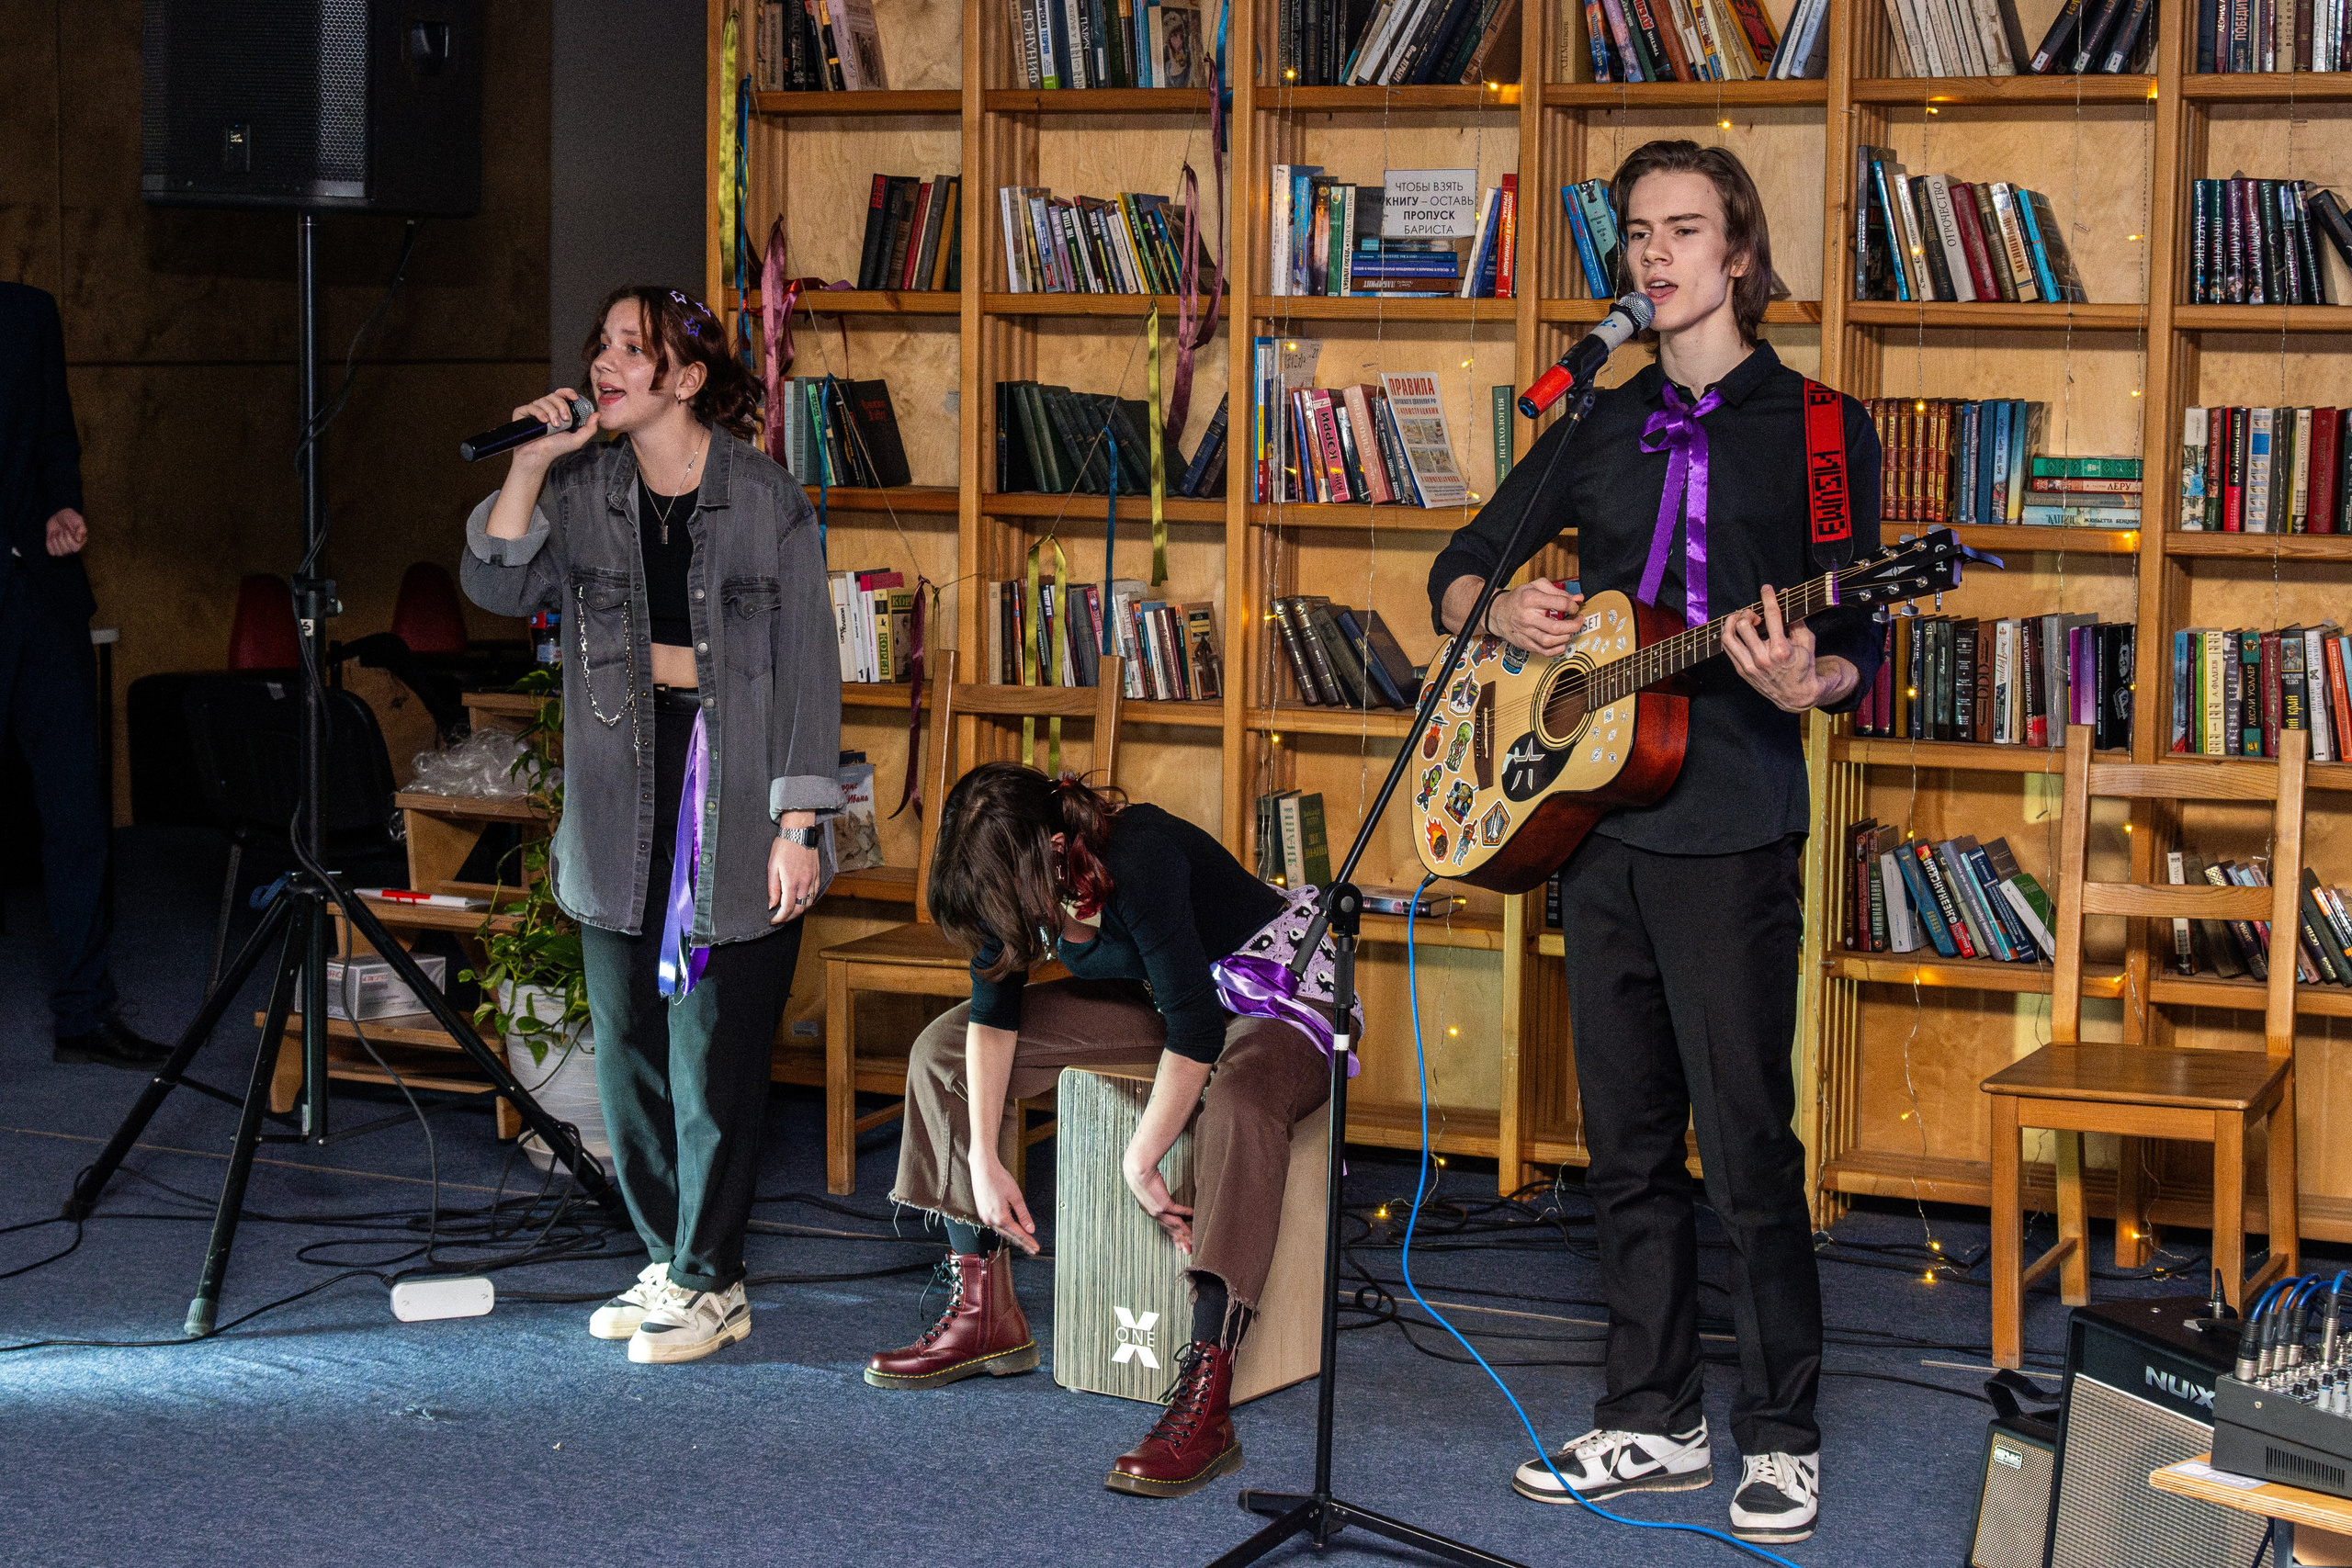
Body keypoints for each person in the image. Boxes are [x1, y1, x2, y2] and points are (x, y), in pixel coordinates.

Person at [1425, 141, 1884, 1546]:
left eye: (1688, 230)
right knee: (1623, 1142)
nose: (1658, 254)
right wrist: (1504, 619)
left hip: (1736, 814)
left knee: (1747, 1140)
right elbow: (1457, 570)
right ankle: (1653, 1409)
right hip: (1592, 818)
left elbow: (1860, 633)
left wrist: (1815, 681)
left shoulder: (1817, 426)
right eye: (1638, 232)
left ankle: (1783, 1427)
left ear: (1740, 253)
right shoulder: (1591, 418)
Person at [460, 286, 842, 1364]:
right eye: (601, 346)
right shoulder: (582, 488)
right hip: (618, 794)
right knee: (625, 1051)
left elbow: (810, 661)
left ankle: (709, 1277)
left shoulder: (764, 497)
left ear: (684, 379)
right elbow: (496, 583)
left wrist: (799, 824)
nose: (605, 364)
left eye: (635, 349)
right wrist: (530, 461)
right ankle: (674, 1257)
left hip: (739, 789)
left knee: (712, 1056)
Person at [863, 762, 1351, 1499]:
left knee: (1243, 1101)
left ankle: (1207, 1399)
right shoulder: (1016, 877)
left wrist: (1140, 1159)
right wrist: (987, 1161)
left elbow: (1195, 1037)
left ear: (1054, 850)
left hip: (1272, 995)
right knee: (942, 1052)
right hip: (1165, 998)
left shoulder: (1139, 858)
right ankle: (984, 1310)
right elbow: (993, 1017)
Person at [0, 282, 168, 1073]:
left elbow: (56, 434)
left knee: (75, 810)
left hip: (40, 595)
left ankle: (84, 1011)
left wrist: (61, 504)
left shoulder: (27, 313)